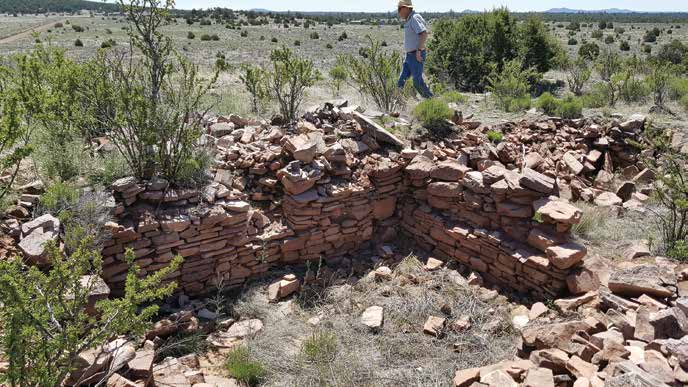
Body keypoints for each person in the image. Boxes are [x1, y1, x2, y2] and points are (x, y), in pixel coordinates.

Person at [396, 0, 433, 99]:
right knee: (401, 81)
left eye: (399, 8)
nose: (398, 11)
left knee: (417, 82)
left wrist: (418, 51)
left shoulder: (414, 18)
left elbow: (424, 34)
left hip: (416, 55)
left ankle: (431, 101)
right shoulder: (409, 19)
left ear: (406, 8)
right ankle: (397, 106)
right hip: (409, 56)